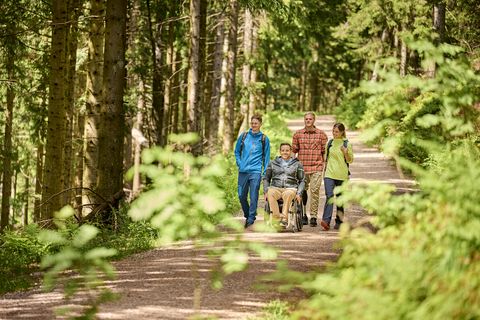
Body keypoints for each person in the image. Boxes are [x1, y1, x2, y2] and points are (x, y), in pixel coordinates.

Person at [292, 112, 328, 227]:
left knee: (315, 191)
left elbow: (325, 152)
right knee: (302, 191)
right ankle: (303, 214)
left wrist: (325, 166)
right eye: (306, 119)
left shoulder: (321, 135)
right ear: (304, 120)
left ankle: (313, 216)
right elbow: (294, 151)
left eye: (310, 119)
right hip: (302, 168)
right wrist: (292, 166)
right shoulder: (298, 134)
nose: (308, 120)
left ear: (314, 120)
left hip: (316, 167)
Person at [234, 114, 271, 229]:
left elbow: (267, 157)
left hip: (255, 171)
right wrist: (240, 163)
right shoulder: (244, 136)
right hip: (243, 171)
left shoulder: (264, 139)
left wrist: (265, 172)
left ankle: (250, 219)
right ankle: (248, 213)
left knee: (254, 195)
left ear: (260, 124)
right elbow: (236, 151)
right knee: (241, 195)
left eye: (256, 123)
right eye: (252, 123)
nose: (254, 125)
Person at [320, 123, 354, 231]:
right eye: (333, 131)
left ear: (342, 132)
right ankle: (326, 221)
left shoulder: (346, 144)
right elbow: (326, 159)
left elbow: (350, 160)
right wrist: (323, 173)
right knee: (329, 196)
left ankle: (339, 221)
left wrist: (345, 153)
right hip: (329, 174)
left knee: (339, 199)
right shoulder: (329, 143)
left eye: (337, 132)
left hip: (342, 175)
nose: (334, 134)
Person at [263, 143, 305, 227]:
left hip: (291, 188)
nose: (285, 152)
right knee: (270, 192)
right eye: (283, 150)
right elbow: (266, 178)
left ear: (291, 151)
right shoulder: (272, 163)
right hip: (276, 187)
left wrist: (299, 193)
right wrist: (265, 191)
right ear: (280, 151)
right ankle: (276, 219)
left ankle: (284, 219)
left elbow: (302, 180)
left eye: (287, 150)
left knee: (288, 194)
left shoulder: (297, 164)